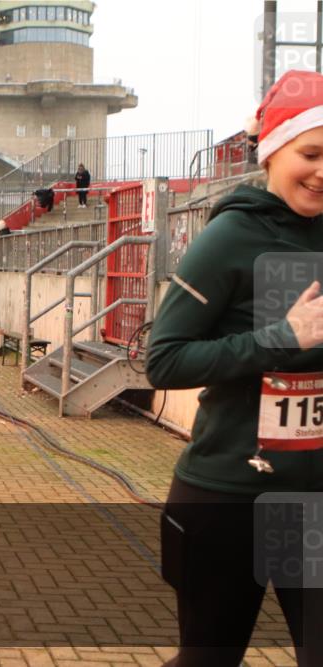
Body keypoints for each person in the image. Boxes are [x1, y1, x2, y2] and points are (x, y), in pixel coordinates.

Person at [146, 70, 323, 667]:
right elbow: (164, 361)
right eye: (311, 153)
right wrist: (281, 338)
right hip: (228, 498)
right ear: (273, 149)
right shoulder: (230, 235)